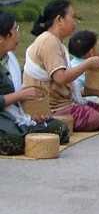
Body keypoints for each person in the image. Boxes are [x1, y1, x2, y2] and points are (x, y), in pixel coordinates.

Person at [23, 0, 99, 132]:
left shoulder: (55, 41)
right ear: (59, 19)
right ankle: (56, 123)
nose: (75, 22)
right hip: (52, 108)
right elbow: (60, 78)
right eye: (72, 17)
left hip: (64, 102)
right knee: (95, 118)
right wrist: (87, 64)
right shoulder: (48, 41)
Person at [0, 12, 69, 156]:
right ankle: (26, 134)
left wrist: (32, 112)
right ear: (2, 38)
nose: (18, 34)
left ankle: (29, 132)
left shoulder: (9, 58)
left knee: (60, 129)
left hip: (15, 115)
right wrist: (19, 95)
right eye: (15, 29)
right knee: (14, 140)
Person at [69, 30, 99, 106]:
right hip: (79, 103)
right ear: (91, 52)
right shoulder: (91, 68)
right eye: (97, 45)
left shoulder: (72, 63)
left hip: (71, 98)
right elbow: (97, 93)